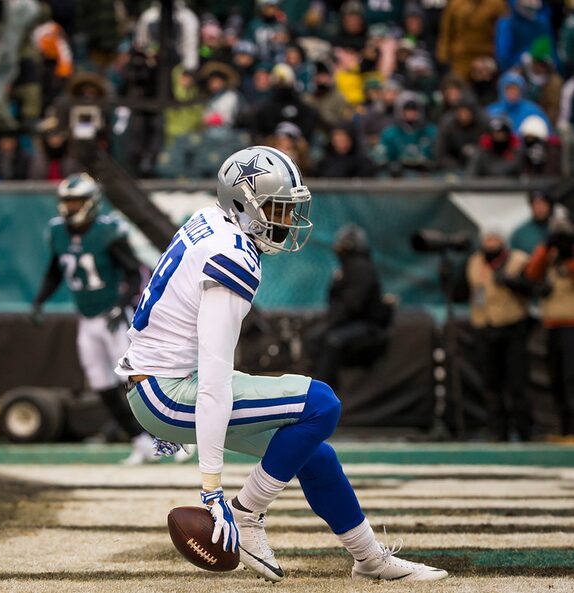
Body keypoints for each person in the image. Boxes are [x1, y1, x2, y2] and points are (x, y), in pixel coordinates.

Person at [116, 146, 448, 582]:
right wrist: (211, 490)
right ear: (243, 204)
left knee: (314, 454)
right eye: (277, 208)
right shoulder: (233, 255)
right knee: (322, 404)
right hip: (169, 392)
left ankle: (370, 559)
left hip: (162, 381)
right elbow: (215, 382)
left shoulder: (210, 220)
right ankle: (247, 514)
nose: (287, 221)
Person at [32, 173, 161, 464]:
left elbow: (135, 272)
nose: (72, 207)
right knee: (100, 382)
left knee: (135, 379)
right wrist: (40, 300)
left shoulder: (108, 231)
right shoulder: (58, 232)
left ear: (92, 202)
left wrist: (122, 304)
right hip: (87, 318)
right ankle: (140, 441)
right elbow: (55, 271)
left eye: (77, 201)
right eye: (68, 201)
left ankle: (167, 436)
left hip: (114, 315)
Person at [464, 230, 534, 441]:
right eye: (488, 239)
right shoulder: (475, 262)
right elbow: (463, 291)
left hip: (513, 326)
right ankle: (497, 431)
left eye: (495, 238)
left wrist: (512, 282)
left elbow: (534, 288)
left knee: (517, 382)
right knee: (491, 384)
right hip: (485, 327)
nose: (491, 243)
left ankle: (525, 431)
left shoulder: (518, 260)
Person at [307, 225, 392, 390]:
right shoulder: (346, 268)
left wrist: (331, 323)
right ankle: (316, 384)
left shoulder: (360, 268)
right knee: (314, 337)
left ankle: (323, 389)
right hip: (351, 321)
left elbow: (352, 304)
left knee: (333, 340)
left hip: (368, 324)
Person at [524, 215, 574, 438]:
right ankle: (564, 428)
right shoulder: (549, 253)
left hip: (571, 325)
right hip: (551, 324)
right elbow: (532, 274)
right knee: (555, 377)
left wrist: (568, 254)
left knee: (571, 377)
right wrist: (546, 248)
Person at [436, 0, 507, 80]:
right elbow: (446, 31)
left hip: (486, 54)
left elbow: (504, 31)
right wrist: (443, 56)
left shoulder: (496, 4)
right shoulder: (455, 3)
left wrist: (495, 60)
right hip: (460, 56)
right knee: (458, 84)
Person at [511, 190, 553, 255]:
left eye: (543, 203)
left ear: (549, 206)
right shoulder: (520, 233)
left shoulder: (560, 229)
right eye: (537, 204)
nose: (540, 207)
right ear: (531, 206)